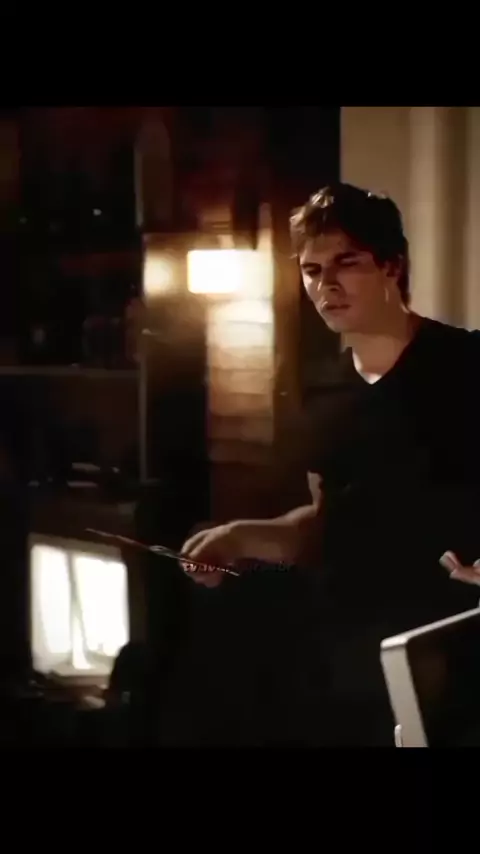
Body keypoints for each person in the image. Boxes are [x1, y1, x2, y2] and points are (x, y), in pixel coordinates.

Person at [179, 182, 480, 745]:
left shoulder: (466, 365)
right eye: (312, 270)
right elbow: (325, 521)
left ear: (392, 266)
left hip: (447, 647)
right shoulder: (322, 391)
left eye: (347, 263)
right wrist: (239, 537)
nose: (327, 285)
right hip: (344, 650)